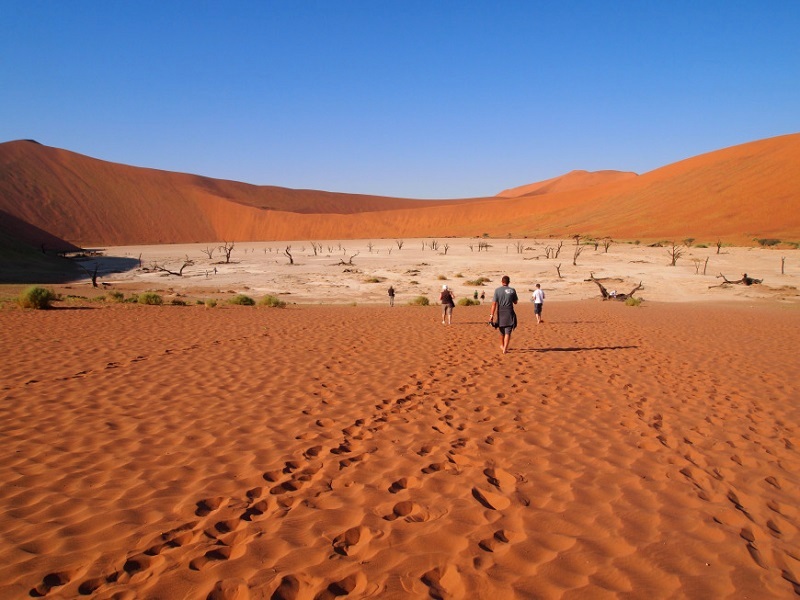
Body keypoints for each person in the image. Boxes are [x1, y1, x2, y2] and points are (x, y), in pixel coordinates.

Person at [490, 275, 518, 354]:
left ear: (502, 282)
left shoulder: (497, 290)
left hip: (500, 312)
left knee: (502, 331)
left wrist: (491, 316)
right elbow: (515, 302)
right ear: (509, 282)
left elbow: (494, 304)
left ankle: (502, 346)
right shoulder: (512, 290)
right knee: (508, 331)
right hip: (509, 311)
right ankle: (504, 348)